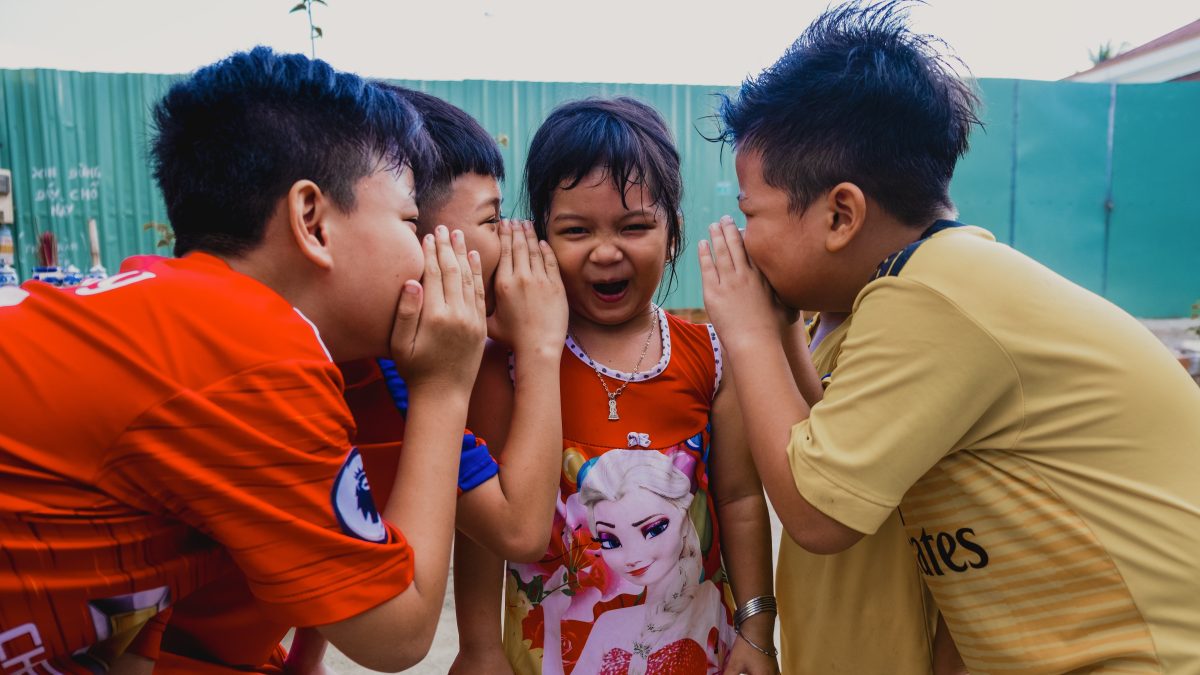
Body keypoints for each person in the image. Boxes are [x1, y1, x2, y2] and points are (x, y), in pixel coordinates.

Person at [698, 2, 1200, 672]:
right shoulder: (943, 278)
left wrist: (749, 332)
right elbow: (835, 449)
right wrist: (785, 329)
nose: (743, 237)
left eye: (751, 212)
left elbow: (818, 511)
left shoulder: (929, 298)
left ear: (841, 214)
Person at [0, 47, 487, 674]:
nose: (425, 256)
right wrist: (443, 385)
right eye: (409, 221)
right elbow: (398, 633)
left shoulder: (166, 316)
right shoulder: (256, 361)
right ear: (312, 219)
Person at [119, 85, 569, 674]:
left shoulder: (323, 349)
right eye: (493, 219)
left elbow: (339, 523)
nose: (516, 239)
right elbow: (509, 536)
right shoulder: (313, 375)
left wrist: (305, 659)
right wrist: (537, 346)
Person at [455, 97, 778, 675]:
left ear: (673, 233)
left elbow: (739, 500)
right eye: (576, 230)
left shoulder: (712, 356)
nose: (606, 252)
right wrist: (479, 647)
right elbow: (483, 522)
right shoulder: (513, 363)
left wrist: (757, 632)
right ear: (542, 238)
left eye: (635, 227)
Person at [571, 450, 733, 674]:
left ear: (685, 519)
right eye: (610, 541)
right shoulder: (607, 625)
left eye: (654, 529)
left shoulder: (709, 600)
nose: (633, 557)